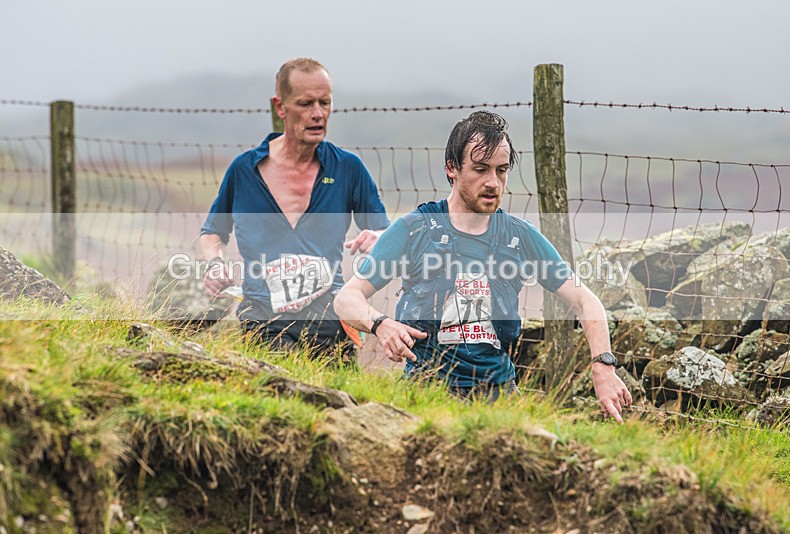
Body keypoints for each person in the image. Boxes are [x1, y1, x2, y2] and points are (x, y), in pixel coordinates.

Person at [333, 111, 632, 421]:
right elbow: (346, 298)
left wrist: (603, 366)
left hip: (499, 399)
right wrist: (381, 324)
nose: (493, 182)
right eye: (480, 169)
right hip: (423, 394)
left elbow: (585, 300)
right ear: (452, 168)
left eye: (501, 171)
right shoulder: (415, 228)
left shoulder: (519, 236)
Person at [201, 57, 390, 355]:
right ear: (280, 107)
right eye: (305, 104)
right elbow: (213, 231)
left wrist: (379, 237)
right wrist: (214, 264)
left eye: (324, 103)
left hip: (329, 319)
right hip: (263, 318)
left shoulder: (348, 168)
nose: (318, 114)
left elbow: (383, 230)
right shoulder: (244, 170)